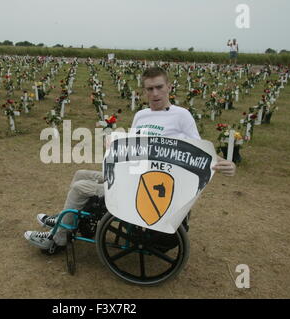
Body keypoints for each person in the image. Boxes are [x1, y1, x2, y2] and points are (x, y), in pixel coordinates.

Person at [24, 67, 236, 250]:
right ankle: (67, 219)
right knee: (81, 173)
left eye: (159, 87)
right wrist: (115, 146)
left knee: (80, 187)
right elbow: (133, 147)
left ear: (169, 87)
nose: (155, 93)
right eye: (150, 89)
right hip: (131, 176)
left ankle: (58, 238)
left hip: (146, 187)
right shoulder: (141, 115)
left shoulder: (181, 116)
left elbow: (198, 150)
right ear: (144, 91)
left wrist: (223, 162)